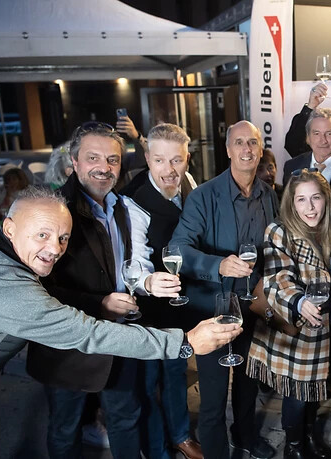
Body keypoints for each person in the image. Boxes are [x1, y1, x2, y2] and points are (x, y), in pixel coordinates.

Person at [0, 187, 241, 458]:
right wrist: (185, 343)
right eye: (42, 234)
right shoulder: (2, 288)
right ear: (9, 228)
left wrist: (109, 298)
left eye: (63, 237)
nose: (55, 248)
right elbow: (87, 333)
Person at [24, 121, 146, 458]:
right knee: (66, 428)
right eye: (94, 158)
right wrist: (101, 303)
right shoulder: (51, 211)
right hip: (67, 345)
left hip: (119, 336)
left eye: (112, 160)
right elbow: (36, 287)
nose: (104, 168)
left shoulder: (121, 207)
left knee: (125, 417)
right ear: (74, 162)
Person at [169, 120, 279, 459]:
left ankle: (245, 434)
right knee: (214, 395)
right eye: (239, 142)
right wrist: (217, 264)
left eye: (253, 143)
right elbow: (178, 249)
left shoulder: (268, 194)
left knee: (247, 382)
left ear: (260, 149)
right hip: (212, 310)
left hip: (252, 305)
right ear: (228, 149)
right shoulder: (204, 195)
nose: (247, 149)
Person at [247, 169, 331, 459]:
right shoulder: (279, 230)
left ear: (326, 199)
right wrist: (298, 301)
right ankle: (293, 447)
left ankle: (309, 437)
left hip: (330, 325)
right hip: (298, 325)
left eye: (316, 198)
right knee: (296, 393)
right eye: (301, 200)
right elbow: (278, 275)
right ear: (290, 203)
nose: (309, 208)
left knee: (317, 389)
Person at [123, 123, 202, 459]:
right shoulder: (135, 201)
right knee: (150, 379)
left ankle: (181, 436)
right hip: (149, 306)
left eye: (177, 161)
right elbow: (133, 262)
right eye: (160, 161)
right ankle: (158, 449)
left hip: (184, 299)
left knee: (176, 371)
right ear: (147, 158)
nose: (170, 170)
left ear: (187, 159)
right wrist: (149, 282)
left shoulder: (190, 184)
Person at [282, 108, 331, 197]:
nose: (323, 141)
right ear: (308, 138)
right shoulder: (292, 167)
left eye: (329, 133)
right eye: (316, 133)